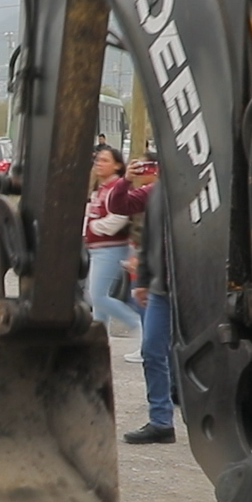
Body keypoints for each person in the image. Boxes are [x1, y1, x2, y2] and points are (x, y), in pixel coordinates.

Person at [124, 161, 177, 445]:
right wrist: (143, 280)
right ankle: (161, 420)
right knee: (153, 350)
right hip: (161, 287)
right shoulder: (155, 193)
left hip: (197, 286)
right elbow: (148, 238)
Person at [85, 144, 149, 337]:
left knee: (97, 296)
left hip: (110, 248)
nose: (99, 164)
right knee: (97, 298)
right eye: (98, 160)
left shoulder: (116, 187)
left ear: (117, 166)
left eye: (105, 160)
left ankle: (136, 324)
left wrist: (94, 226)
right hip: (96, 248)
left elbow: (119, 217)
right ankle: (99, 337)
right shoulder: (100, 188)